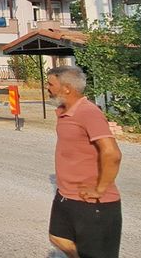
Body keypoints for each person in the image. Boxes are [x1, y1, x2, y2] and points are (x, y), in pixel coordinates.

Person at [46, 66, 122, 258]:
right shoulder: (64, 112)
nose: (47, 88)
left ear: (67, 88)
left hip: (92, 202)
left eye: (50, 84)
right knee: (57, 237)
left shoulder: (88, 112)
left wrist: (100, 189)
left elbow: (112, 153)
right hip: (66, 196)